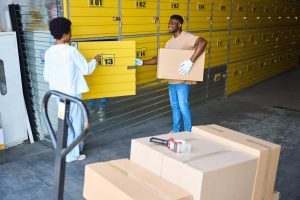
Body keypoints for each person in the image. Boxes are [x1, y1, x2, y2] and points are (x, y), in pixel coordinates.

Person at [135, 15, 207, 133]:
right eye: (169, 23)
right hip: (172, 81)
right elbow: (160, 58)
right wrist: (143, 62)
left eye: (173, 23)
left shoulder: (187, 37)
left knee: (183, 107)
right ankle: (176, 130)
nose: (169, 25)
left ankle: (188, 132)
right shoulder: (169, 43)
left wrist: (191, 61)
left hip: (183, 81)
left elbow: (203, 42)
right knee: (175, 107)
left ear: (179, 25)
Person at [43, 17, 101, 162]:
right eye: (70, 32)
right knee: (76, 123)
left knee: (65, 123)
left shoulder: (48, 52)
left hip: (57, 95)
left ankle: (67, 150)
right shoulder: (70, 51)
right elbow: (87, 69)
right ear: (64, 35)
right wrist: (96, 60)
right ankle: (73, 155)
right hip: (73, 96)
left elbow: (46, 76)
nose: (71, 34)